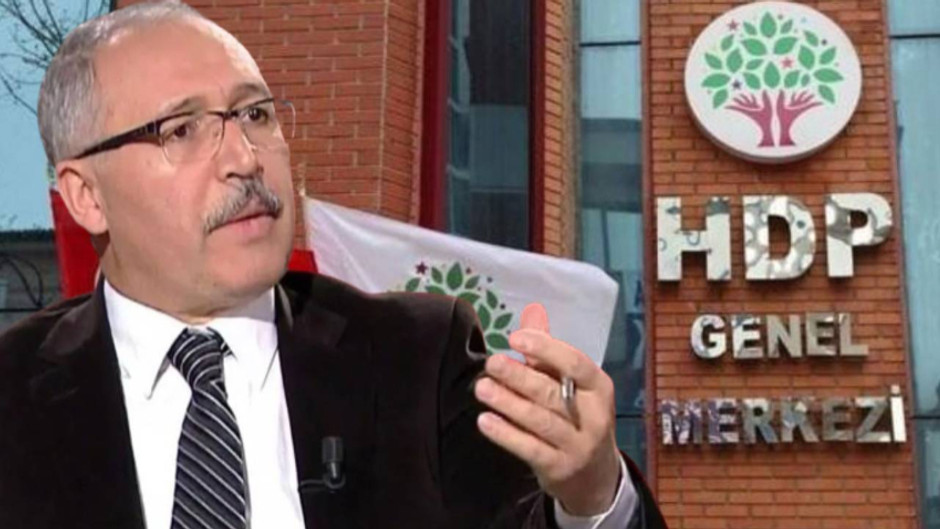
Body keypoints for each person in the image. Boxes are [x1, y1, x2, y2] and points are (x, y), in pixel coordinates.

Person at [0, 2, 665, 528]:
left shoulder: (417, 360)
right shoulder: (12, 394)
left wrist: (591, 497)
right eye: (181, 130)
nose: (245, 158)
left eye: (255, 114)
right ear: (87, 196)